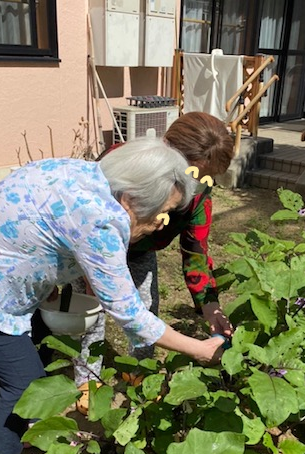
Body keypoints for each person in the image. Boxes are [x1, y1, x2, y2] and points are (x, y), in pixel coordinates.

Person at [0, 137, 227, 454]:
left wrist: (47, 287)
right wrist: (200, 349)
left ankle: (25, 427)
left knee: (42, 347)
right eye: (162, 210)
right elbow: (130, 314)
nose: (163, 221)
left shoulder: (87, 173)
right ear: (131, 198)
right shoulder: (103, 219)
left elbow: (34, 224)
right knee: (22, 379)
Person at [74, 112, 235, 414]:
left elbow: (196, 248)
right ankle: (87, 380)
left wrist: (209, 304)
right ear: (166, 152)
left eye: (206, 180)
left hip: (140, 248)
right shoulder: (121, 163)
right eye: (191, 176)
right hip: (95, 243)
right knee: (92, 313)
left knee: (145, 309)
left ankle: (140, 372)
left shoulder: (198, 196)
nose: (197, 186)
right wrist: (93, 270)